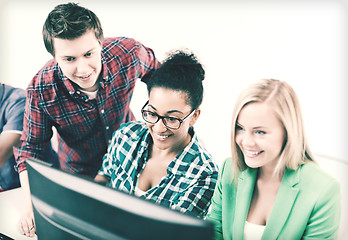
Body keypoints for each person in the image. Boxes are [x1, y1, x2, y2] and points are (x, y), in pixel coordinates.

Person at [16, 2, 159, 237]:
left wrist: (160, 124)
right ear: (54, 56)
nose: (83, 69)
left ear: (100, 43)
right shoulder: (41, 89)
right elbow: (30, 150)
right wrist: (29, 204)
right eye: (69, 59)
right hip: (80, 176)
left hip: (134, 164)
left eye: (89, 54)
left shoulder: (128, 53)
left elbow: (160, 76)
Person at [206, 79, 341, 239]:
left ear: (288, 132)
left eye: (260, 132)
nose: (246, 142)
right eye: (240, 128)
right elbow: (212, 233)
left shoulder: (323, 190)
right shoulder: (230, 169)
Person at [95, 50, 219, 218]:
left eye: (172, 118)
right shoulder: (126, 136)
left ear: (194, 116)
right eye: (152, 114)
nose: (159, 128)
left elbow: (175, 233)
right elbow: (103, 179)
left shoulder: (203, 175)